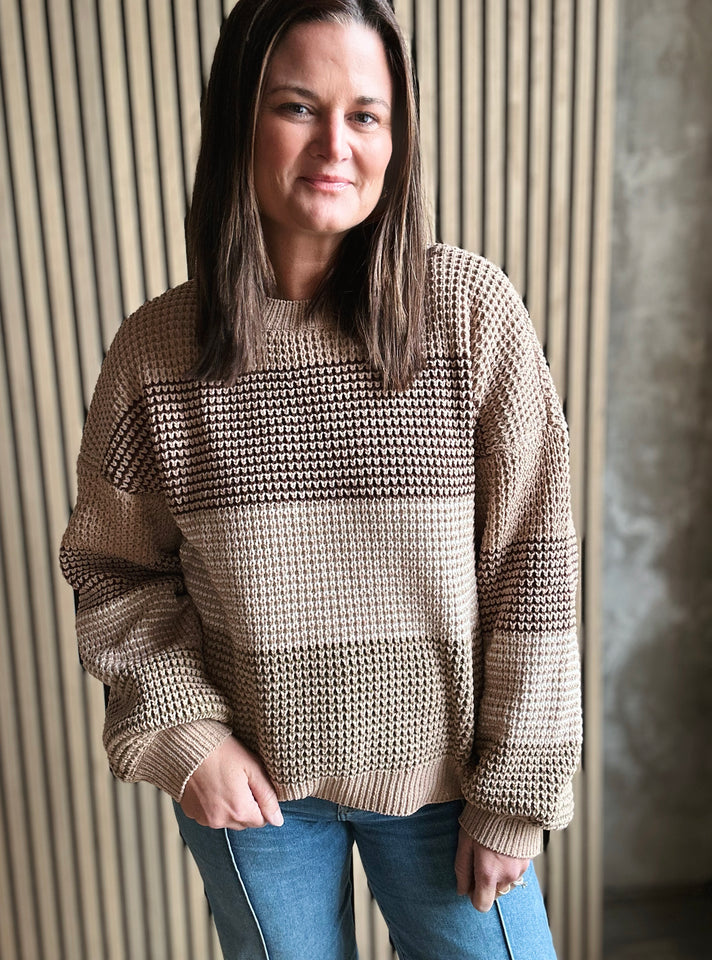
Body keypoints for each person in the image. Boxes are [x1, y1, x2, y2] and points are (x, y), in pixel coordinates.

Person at [59, 1, 582, 957]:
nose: (336, 144)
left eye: (367, 115)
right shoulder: (158, 352)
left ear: (398, 135)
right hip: (256, 792)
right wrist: (186, 736)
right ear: (239, 122)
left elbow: (533, 565)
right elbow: (114, 571)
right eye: (298, 107)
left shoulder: (469, 315)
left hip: (449, 786)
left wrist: (516, 795)